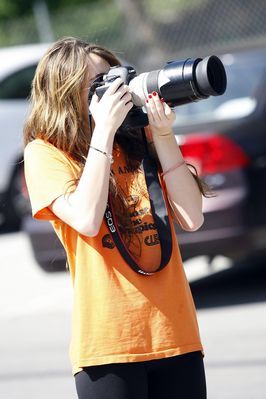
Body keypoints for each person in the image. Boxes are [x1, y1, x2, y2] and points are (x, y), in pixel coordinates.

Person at [24, 37, 209, 399]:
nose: (115, 92)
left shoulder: (137, 138)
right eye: (99, 85)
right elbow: (87, 219)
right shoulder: (45, 152)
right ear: (65, 94)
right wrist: (104, 132)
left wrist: (163, 134)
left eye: (115, 79)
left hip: (176, 336)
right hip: (110, 346)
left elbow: (191, 217)